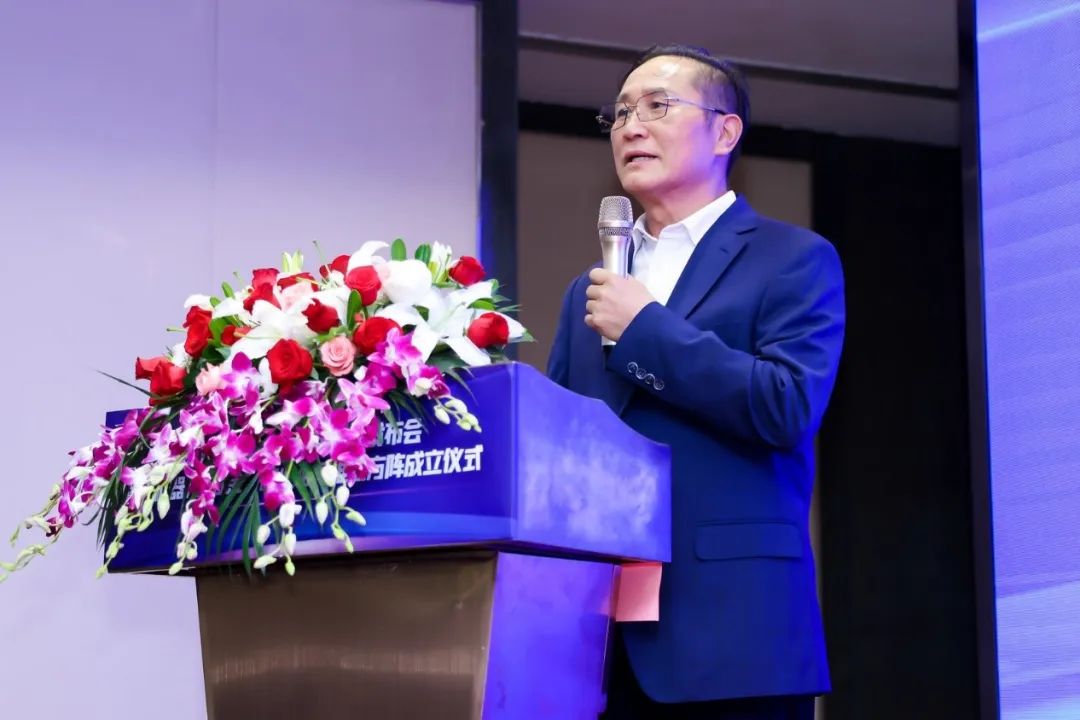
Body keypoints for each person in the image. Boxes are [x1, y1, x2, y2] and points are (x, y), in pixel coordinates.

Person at [546, 44, 845, 720]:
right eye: (621, 113)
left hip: (733, 635)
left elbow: (786, 405)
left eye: (657, 106)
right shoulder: (589, 290)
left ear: (724, 131)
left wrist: (645, 330)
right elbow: (560, 444)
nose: (631, 126)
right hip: (598, 641)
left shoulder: (794, 258)